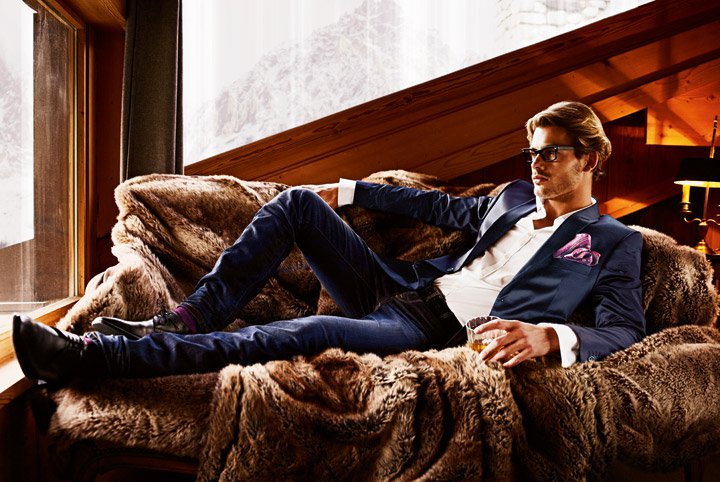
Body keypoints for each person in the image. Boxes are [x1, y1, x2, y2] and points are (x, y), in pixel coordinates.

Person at [12, 101, 646, 387]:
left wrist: (550, 337)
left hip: (437, 332)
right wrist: (343, 191)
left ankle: (96, 358)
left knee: (303, 332)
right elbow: (432, 204)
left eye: (551, 154)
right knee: (296, 204)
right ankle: (184, 318)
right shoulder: (510, 198)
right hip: (402, 290)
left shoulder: (612, 241)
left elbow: (623, 330)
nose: (536, 164)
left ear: (588, 158)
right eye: (532, 152)